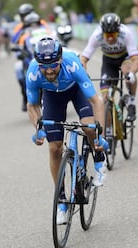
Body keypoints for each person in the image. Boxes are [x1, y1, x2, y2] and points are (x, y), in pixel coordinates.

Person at [26, 37, 108, 224]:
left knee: (88, 126)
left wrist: (100, 135)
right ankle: (62, 202)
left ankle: (99, 160)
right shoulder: (33, 72)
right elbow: (32, 105)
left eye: (53, 65)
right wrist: (38, 129)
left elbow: (97, 101)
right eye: (43, 66)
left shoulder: (72, 64)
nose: (48, 70)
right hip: (52, 96)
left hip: (76, 89)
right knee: (54, 147)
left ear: (60, 60)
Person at [80, 13, 138, 123]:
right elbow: (83, 59)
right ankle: (108, 132)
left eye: (113, 34)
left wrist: (132, 74)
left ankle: (131, 101)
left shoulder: (126, 33)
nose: (110, 38)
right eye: (107, 35)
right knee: (105, 99)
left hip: (124, 57)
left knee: (127, 70)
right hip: (108, 61)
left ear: (118, 31)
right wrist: (83, 73)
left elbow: (136, 60)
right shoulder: (96, 35)